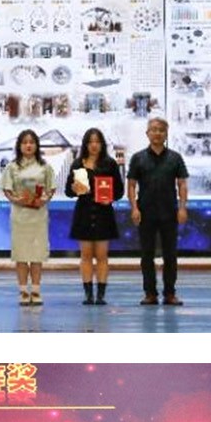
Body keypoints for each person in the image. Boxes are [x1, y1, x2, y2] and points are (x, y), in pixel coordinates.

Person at [127, 116, 190, 307]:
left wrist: (182, 208)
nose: (157, 133)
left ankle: (170, 293)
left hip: (169, 213)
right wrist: (134, 208)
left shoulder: (175, 158)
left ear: (166, 134)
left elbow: (182, 184)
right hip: (145, 213)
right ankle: (150, 294)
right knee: (147, 256)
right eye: (153, 129)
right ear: (147, 133)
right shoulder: (138, 158)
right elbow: (131, 185)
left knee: (170, 255)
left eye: (161, 130)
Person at [65, 126, 123, 304]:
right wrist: (74, 189)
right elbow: (68, 191)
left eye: (97, 141)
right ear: (85, 144)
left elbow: (119, 190)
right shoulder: (77, 164)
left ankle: (101, 295)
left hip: (103, 214)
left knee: (102, 255)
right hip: (84, 213)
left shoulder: (110, 164)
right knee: (86, 255)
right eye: (90, 142)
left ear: (102, 144)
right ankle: (88, 294)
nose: (94, 145)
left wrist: (110, 198)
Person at [0, 127, 56, 305]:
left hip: (38, 216)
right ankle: (23, 291)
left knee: (37, 255)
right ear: (19, 146)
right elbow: (7, 190)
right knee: (22, 255)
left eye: (32, 142)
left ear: (37, 145)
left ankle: (36, 291)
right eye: (25, 142)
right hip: (20, 216)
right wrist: (17, 200)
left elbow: (51, 189)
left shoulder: (45, 167)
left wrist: (43, 200)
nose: (28, 145)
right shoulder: (12, 167)